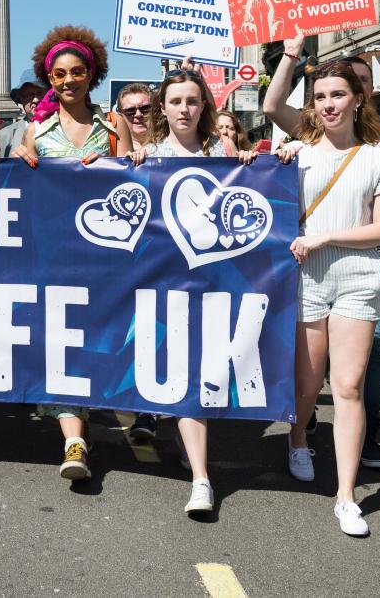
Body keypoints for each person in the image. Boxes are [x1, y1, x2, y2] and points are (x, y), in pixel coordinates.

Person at [267, 52, 380, 538]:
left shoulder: (379, 158)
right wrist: (290, 55)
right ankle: (299, 436)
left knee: (347, 386)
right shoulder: (297, 153)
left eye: (337, 95)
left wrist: (326, 238)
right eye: (320, 97)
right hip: (305, 279)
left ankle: (346, 495)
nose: (328, 105)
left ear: (357, 99)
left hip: (358, 278)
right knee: (307, 387)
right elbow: (270, 104)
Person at [11, 25, 143, 484]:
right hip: (52, 255)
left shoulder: (114, 126)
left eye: (78, 72)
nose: (69, 81)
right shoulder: (35, 130)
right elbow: (15, 186)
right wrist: (17, 162)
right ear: (50, 79)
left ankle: (106, 412)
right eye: (59, 74)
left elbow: (134, 185)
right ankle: (74, 439)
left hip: (105, 256)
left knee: (96, 341)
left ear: (93, 74)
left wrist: (116, 164)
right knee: (62, 339)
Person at [138, 69, 258, 514]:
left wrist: (251, 165)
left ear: (204, 106)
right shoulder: (148, 153)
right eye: (175, 101)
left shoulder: (221, 150)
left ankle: (200, 471)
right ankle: (202, 478)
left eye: (192, 101)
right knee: (185, 372)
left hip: (214, 281)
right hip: (165, 281)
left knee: (202, 370)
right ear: (162, 108)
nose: (184, 109)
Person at [0, 78, 47, 157]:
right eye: (30, 94)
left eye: (40, 93)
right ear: (21, 98)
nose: (36, 99)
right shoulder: (3, 136)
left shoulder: (65, 128)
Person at [114, 83, 155, 151]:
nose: (138, 114)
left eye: (145, 108)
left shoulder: (170, 144)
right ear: (121, 115)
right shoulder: (112, 149)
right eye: (130, 110)